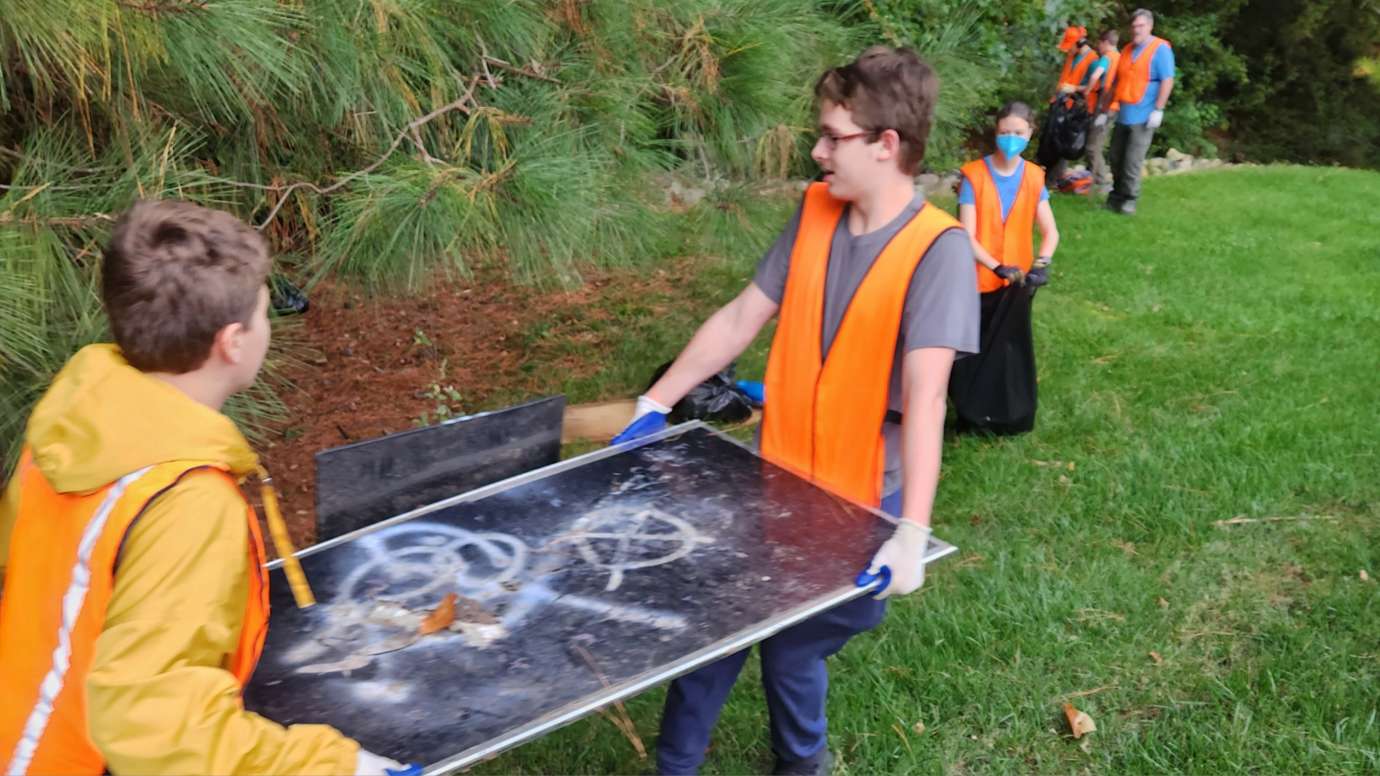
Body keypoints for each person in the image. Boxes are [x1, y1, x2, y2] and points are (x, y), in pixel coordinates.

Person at [611, 46, 978, 775]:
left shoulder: (939, 251)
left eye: (832, 136)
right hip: (774, 480)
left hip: (857, 503)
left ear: (886, 145)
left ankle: (800, 763)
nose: (815, 151)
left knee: (792, 646)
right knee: (712, 630)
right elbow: (744, 314)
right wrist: (655, 402)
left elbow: (929, 398)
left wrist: (912, 531)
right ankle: (676, 766)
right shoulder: (816, 209)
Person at [0, 201, 404, 775]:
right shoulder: (187, 501)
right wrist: (335, 766)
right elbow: (155, 727)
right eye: (266, 312)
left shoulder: (78, 420)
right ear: (233, 341)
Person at [950, 101, 1060, 435]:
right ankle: (968, 411)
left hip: (1017, 284)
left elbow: (1050, 231)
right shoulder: (975, 176)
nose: (1011, 139)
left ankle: (1003, 412)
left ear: (1030, 134)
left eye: (1018, 133)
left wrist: (1041, 264)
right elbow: (965, 234)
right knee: (972, 348)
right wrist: (996, 266)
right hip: (979, 280)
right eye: (1004, 132)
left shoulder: (1033, 177)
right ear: (995, 133)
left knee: (1008, 349)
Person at [1107, 8, 1175, 214]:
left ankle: (1129, 200)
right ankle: (1116, 196)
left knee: (1132, 162)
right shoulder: (1127, 49)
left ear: (1150, 26)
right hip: (1123, 114)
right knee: (1116, 158)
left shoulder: (1160, 49)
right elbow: (1117, 81)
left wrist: (1159, 110)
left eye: (1141, 26)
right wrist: (1105, 110)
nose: (1137, 30)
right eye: (1134, 26)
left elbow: (1167, 80)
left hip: (1144, 117)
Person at [1047, 26, 1108, 188]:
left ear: (1080, 43)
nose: (1068, 51)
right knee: (1056, 142)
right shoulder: (1072, 56)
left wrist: (1073, 89)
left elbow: (1094, 87)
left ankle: (1053, 181)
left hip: (1080, 109)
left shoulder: (1093, 61)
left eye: (1070, 46)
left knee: (1071, 145)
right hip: (1063, 104)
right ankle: (1053, 179)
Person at [1086, 29, 1123, 188]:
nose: (1098, 47)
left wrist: (1087, 91)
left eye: (1100, 44)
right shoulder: (1122, 58)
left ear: (1106, 43)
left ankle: (1101, 182)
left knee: (1093, 146)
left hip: (1105, 105)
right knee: (1098, 143)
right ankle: (1097, 179)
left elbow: (1096, 75)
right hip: (1116, 106)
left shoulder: (1107, 58)